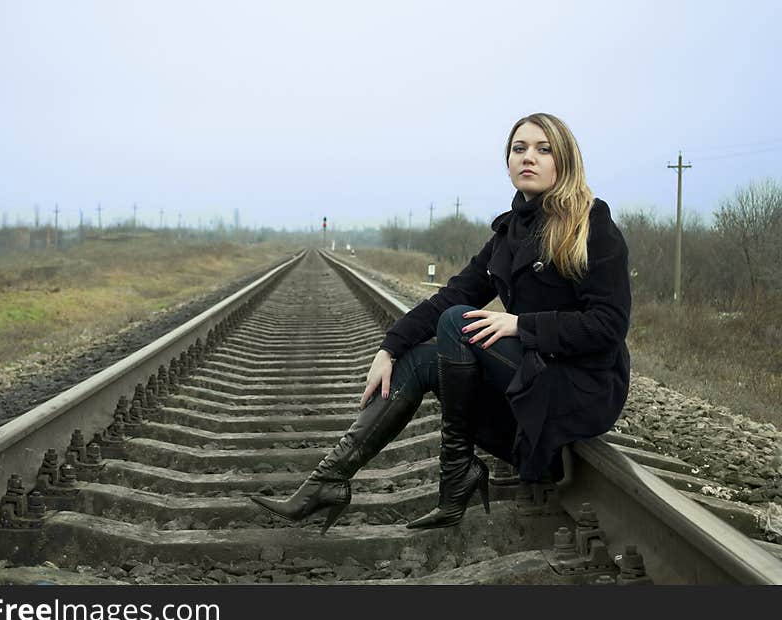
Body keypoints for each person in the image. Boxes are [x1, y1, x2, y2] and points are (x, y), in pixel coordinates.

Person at [251, 112, 631, 533]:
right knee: (421, 358)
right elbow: (453, 294)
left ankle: (456, 476)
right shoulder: (509, 234)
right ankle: (327, 481)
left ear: (565, 161)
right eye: (519, 149)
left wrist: (522, 325)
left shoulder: (591, 225)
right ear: (507, 161)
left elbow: (608, 326)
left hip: (583, 385)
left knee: (455, 324)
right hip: (536, 372)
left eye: (543, 150)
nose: (529, 158)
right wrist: (389, 347)